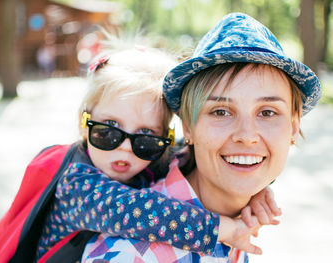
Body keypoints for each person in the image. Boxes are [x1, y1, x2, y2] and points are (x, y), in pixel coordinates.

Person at [81, 12, 321, 262]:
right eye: (220, 111)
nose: (247, 136)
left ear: (293, 128)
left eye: (268, 112)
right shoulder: (129, 254)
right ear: (188, 128)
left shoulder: (239, 215)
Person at [28, 43, 278, 262]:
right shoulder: (76, 185)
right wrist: (225, 230)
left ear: (164, 140)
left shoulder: (152, 158)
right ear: (84, 125)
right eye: (108, 131)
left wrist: (252, 187)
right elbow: (140, 213)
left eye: (146, 139)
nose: (125, 147)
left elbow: (209, 152)